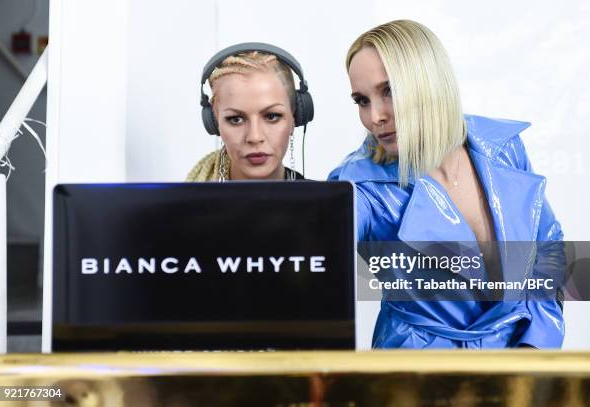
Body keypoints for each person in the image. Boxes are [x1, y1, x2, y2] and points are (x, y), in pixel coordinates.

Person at [329, 20, 565, 348]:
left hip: (517, 367)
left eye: (389, 91)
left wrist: (535, 347)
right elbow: (314, 255)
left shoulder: (502, 147)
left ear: (428, 83)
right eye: (362, 100)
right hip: (416, 376)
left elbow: (547, 250)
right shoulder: (358, 184)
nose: (375, 117)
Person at [187, 43, 314, 182]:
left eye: (272, 116)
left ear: (294, 117)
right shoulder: (185, 202)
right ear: (214, 121)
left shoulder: (327, 203)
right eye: (235, 119)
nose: (254, 137)